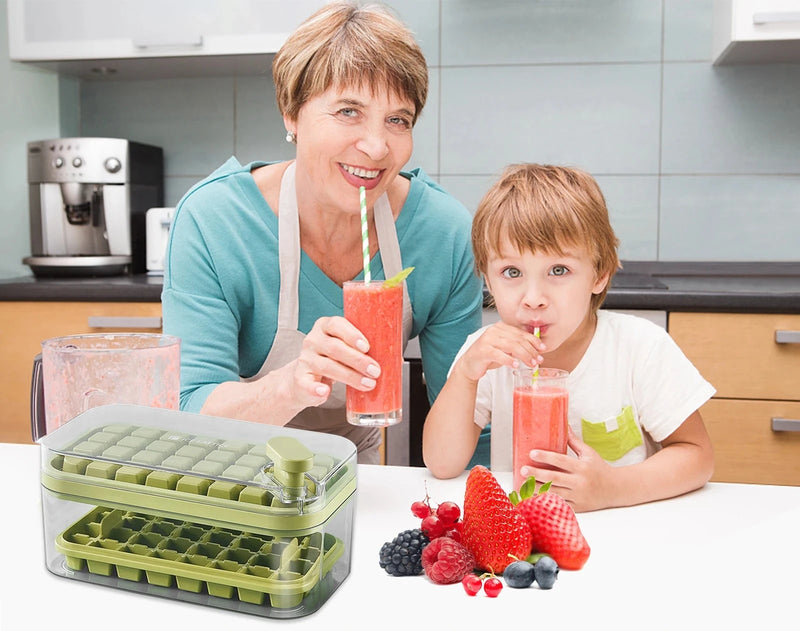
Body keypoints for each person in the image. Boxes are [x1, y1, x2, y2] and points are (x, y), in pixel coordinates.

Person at [161, 1, 483, 464]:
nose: (376, 147)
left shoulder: (444, 233)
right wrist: (293, 384)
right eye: (349, 111)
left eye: (398, 119)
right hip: (228, 471)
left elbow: (471, 420)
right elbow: (190, 410)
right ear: (291, 114)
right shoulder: (215, 221)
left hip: (355, 472)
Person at [422, 164, 715, 511]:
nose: (533, 297)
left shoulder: (639, 348)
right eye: (511, 272)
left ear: (599, 275)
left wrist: (613, 488)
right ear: (487, 277)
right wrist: (465, 375)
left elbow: (698, 457)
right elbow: (442, 464)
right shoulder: (487, 356)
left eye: (558, 271)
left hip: (626, 532)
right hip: (528, 543)